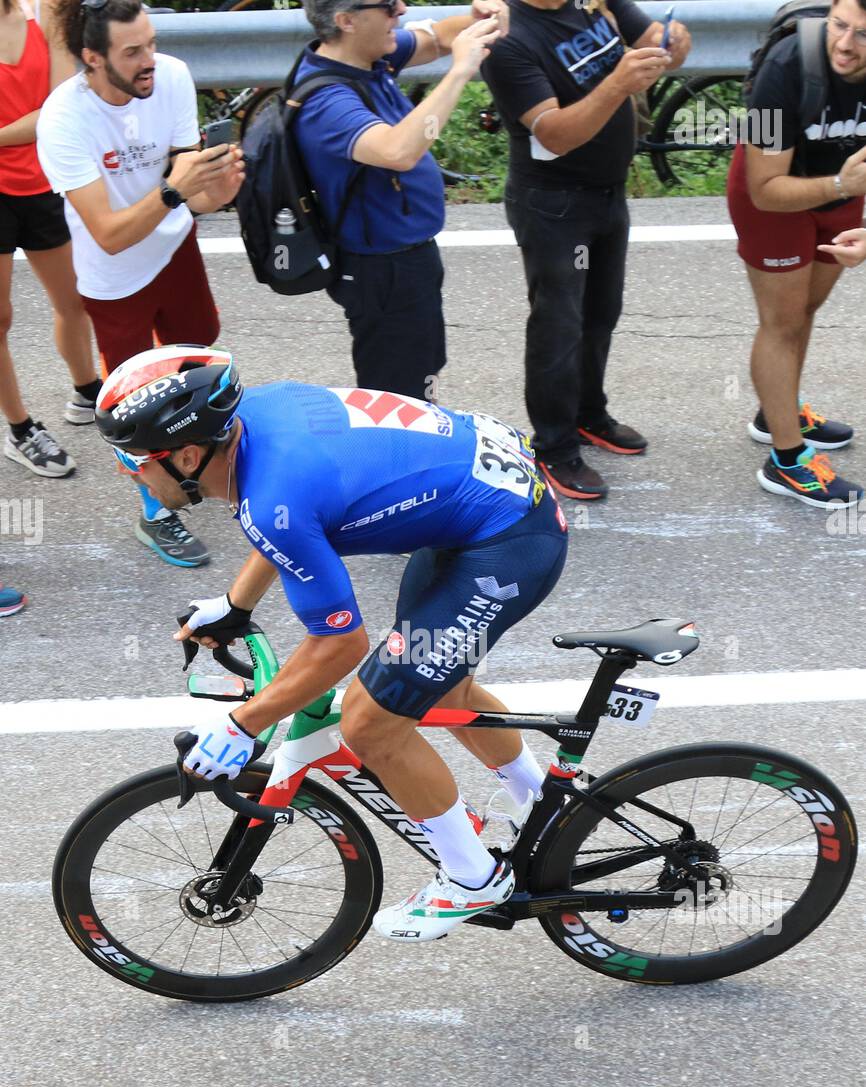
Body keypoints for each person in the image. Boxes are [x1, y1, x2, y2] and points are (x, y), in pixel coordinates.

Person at [94, 346, 569, 941]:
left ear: (189, 455)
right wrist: (236, 605)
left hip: (505, 541)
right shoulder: (258, 417)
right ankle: (541, 806)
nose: (124, 469)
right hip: (482, 503)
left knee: (370, 725)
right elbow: (291, 523)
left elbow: (339, 642)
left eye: (133, 457)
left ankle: (474, 879)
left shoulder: (275, 496)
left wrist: (243, 725)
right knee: (430, 675)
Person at [36, 0, 244, 565]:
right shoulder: (63, 119)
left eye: (150, 43)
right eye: (133, 53)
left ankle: (208, 470)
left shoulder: (171, 76)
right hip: (113, 275)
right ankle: (157, 514)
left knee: (200, 364)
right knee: (135, 403)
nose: (149, 60)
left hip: (174, 246)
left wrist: (219, 186)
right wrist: (178, 191)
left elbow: (190, 183)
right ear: (92, 58)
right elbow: (107, 233)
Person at [482, 0, 691, 501]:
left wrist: (671, 42)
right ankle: (553, 446)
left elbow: (663, 44)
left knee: (601, 315)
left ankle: (589, 414)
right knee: (559, 325)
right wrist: (619, 80)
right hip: (554, 203)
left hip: (607, 191)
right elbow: (554, 134)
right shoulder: (507, 38)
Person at [295, 0, 507, 402]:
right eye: (388, 6)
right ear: (346, 21)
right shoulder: (326, 101)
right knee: (393, 395)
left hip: (408, 258)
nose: (401, 10)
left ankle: (417, 441)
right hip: (380, 270)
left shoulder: (371, 57)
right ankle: (394, 458)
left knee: (420, 370)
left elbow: (442, 36)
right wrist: (461, 71)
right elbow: (397, 151)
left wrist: (483, 21)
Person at [727, 0, 866, 510]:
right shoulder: (784, 69)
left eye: (863, 35)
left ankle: (776, 410)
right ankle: (786, 462)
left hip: (847, 192)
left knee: (807, 308)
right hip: (774, 192)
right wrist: (839, 184)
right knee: (781, 322)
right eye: (839, 26)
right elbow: (763, 188)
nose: (845, 45)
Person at [1, 0, 99, 479]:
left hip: (43, 182)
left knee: (75, 301)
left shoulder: (49, 8)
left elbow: (57, 110)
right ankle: (21, 430)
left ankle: (87, 392)